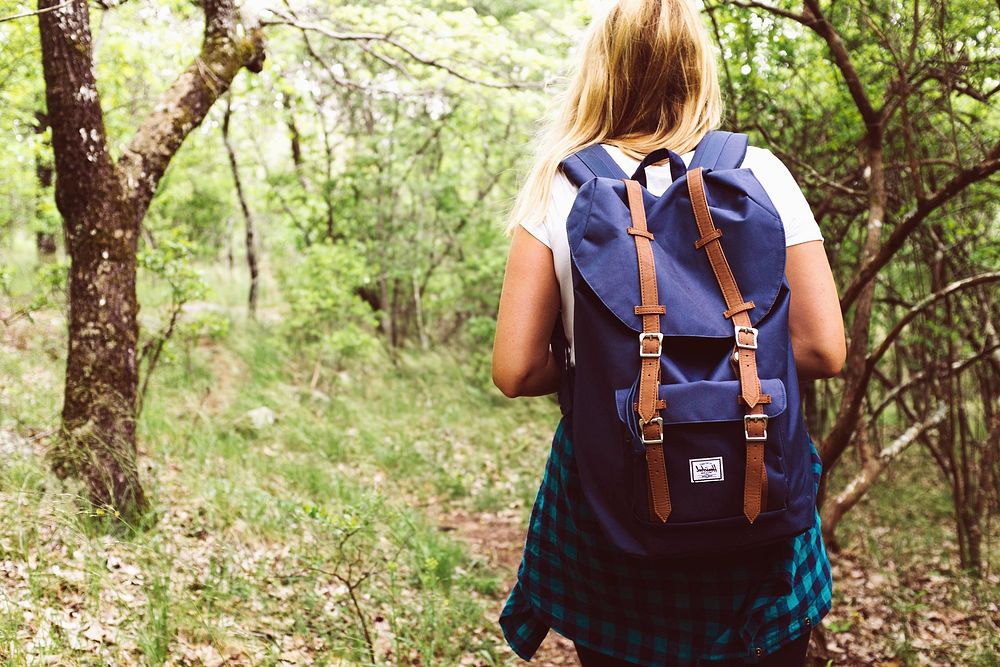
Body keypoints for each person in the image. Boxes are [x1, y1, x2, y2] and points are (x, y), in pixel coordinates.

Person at [491, 0, 847, 665]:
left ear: (601, 70)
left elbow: (514, 369)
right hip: (753, 486)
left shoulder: (558, 187)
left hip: (614, 504)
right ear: (697, 67)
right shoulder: (760, 175)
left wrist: (598, 370)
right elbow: (825, 348)